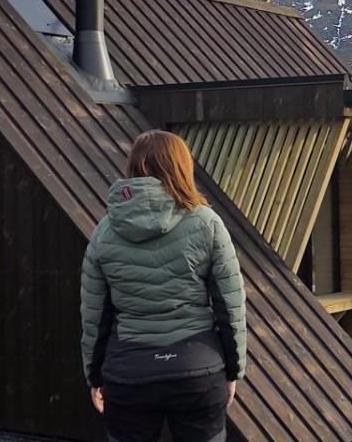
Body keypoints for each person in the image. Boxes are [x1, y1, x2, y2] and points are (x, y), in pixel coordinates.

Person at [81, 130, 248, 442]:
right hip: (197, 369)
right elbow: (230, 305)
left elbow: (94, 315)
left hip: (129, 372)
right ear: (182, 166)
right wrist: (233, 370)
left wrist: (95, 376)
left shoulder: (104, 232)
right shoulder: (207, 223)